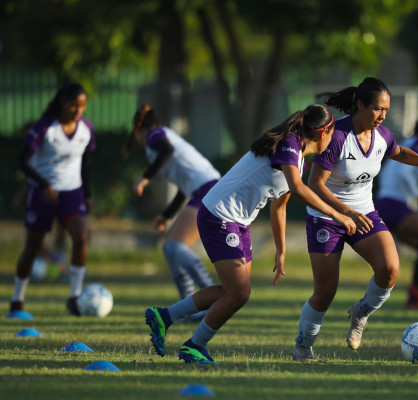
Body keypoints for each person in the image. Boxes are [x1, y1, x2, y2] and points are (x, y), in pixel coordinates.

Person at [144, 104, 357, 365]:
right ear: (323, 132)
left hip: (237, 222)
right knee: (239, 293)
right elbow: (299, 190)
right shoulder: (289, 144)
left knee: (232, 291)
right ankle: (193, 346)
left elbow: (280, 205)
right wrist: (339, 214)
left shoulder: (298, 159)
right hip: (219, 216)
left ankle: (163, 317)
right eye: (334, 133)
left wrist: (281, 250)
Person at [293, 77, 418, 362]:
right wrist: (345, 212)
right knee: (325, 291)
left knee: (390, 269)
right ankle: (303, 345)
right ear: (359, 105)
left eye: (386, 109)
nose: (382, 115)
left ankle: (361, 312)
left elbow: (398, 151)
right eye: (377, 109)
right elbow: (315, 184)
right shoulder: (338, 136)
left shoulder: (382, 135)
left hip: (364, 213)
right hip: (326, 217)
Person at [8, 82, 95, 318]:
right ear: (62, 103)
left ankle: (75, 298)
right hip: (42, 192)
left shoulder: (86, 128)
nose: (78, 110)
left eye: (83, 106)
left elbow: (86, 164)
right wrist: (44, 185)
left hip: (72, 192)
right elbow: (22, 162)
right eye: (74, 105)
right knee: (33, 247)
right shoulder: (45, 128)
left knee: (81, 237)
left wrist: (87, 195)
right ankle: (17, 301)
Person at [124, 105, 220, 304]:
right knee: (170, 247)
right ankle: (189, 304)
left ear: (139, 131)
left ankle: (210, 293)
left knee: (176, 245)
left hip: (208, 189)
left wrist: (145, 178)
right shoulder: (162, 135)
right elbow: (184, 187)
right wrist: (167, 215)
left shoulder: (155, 135)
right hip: (206, 189)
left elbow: (167, 150)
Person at [375, 108, 418, 310]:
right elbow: (405, 174)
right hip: (393, 204)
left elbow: (388, 172)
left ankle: (417, 294)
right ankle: (417, 293)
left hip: (386, 202)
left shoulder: (409, 143)